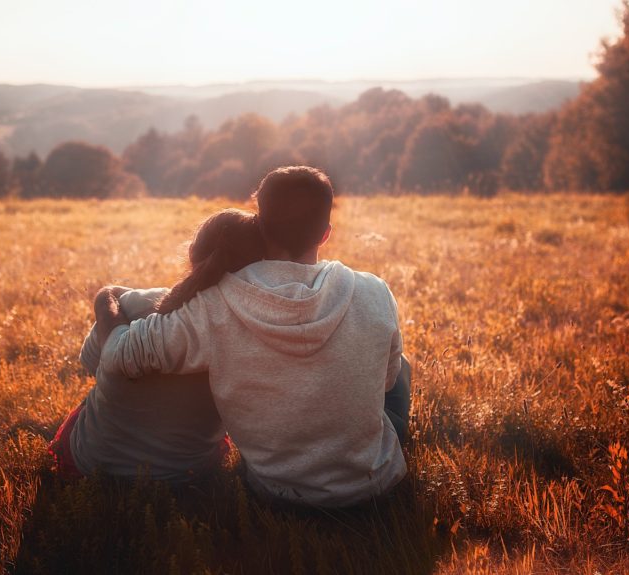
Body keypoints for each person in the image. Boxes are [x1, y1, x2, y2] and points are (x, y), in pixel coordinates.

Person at [95, 166, 410, 507]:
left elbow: (120, 354)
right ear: (325, 234)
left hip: (276, 494)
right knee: (401, 366)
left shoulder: (215, 305)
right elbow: (386, 382)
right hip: (376, 485)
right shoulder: (375, 290)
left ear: (259, 226)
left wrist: (105, 300)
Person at [49, 209, 265, 481]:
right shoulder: (254, 333)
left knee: (86, 407)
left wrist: (109, 294)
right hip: (187, 476)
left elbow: (91, 363)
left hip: (90, 465)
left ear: (191, 254)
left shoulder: (132, 305)